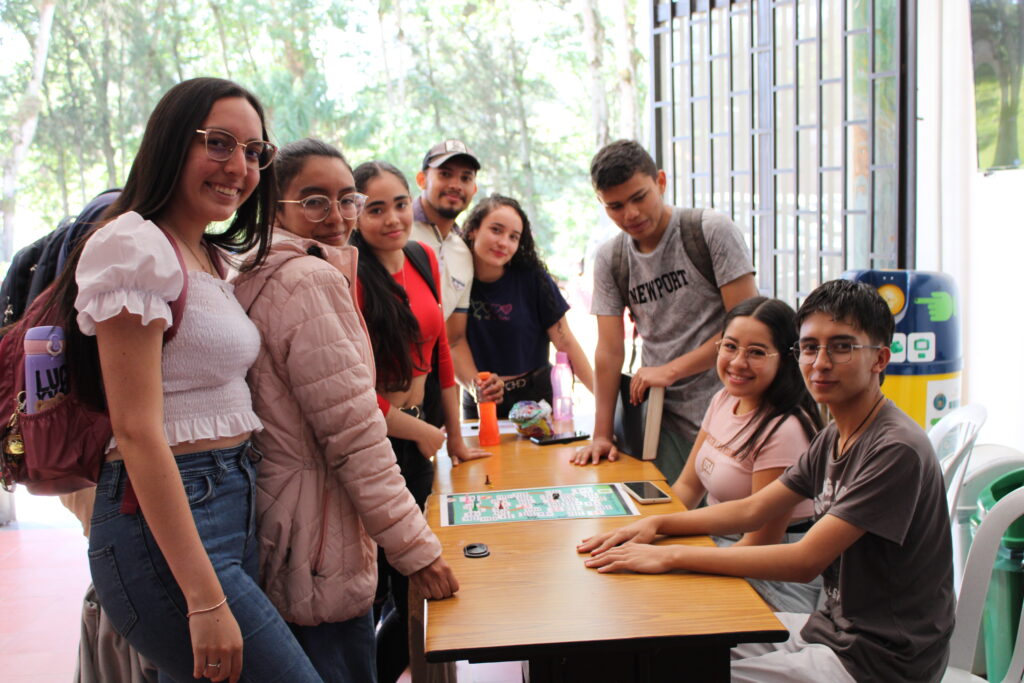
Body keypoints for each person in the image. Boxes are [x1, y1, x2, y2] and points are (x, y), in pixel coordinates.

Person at [56, 78, 322, 682]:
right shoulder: (132, 246)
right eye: (220, 143)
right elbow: (137, 430)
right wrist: (204, 598)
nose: (240, 167)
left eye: (255, 152)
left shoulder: (208, 254)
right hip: (165, 522)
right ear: (173, 141)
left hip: (230, 500)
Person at [579, 279, 955, 683]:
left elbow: (803, 559)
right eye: (810, 347)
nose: (820, 362)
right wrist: (656, 523)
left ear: (880, 359)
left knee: (683, 669)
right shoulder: (837, 432)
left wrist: (670, 556)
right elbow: (755, 508)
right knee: (666, 649)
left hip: (878, 661)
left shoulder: (894, 448)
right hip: (828, 630)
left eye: (842, 347)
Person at [232, 139, 459, 682]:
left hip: (288, 518)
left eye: (346, 199)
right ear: (273, 206)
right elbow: (354, 436)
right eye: (314, 201)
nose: (337, 216)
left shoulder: (264, 269)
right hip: (317, 528)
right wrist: (417, 552)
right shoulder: (309, 280)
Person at [351, 160, 488, 683]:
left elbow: (442, 359)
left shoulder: (422, 256)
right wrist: (422, 432)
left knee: (414, 584)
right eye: (375, 208)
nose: (392, 219)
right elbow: (351, 395)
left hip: (421, 439)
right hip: (376, 441)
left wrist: (455, 436)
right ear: (355, 214)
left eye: (399, 204)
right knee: (383, 584)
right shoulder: (352, 278)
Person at [572, 140, 759, 484]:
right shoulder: (611, 259)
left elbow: (748, 331)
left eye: (639, 197)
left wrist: (670, 370)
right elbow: (609, 351)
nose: (630, 214)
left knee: (729, 529)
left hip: (735, 411)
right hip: (662, 420)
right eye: (614, 206)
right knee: (669, 520)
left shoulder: (709, 230)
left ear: (660, 181)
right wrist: (601, 434)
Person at [624, 296, 824, 612]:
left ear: (786, 359)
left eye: (756, 352)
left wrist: (675, 558)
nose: (737, 362)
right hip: (720, 546)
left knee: (657, 605)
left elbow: (760, 542)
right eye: (730, 346)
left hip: (769, 571)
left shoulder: (785, 429)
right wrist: (648, 530)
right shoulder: (723, 399)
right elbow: (688, 488)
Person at [451, 194, 594, 418]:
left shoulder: (532, 278)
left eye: (513, 237)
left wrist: (604, 399)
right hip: (482, 399)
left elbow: (564, 339)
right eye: (496, 230)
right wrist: (477, 387)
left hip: (536, 397)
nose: (503, 242)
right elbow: (453, 343)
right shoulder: (456, 278)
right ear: (473, 230)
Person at [411, 140, 504, 408]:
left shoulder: (464, 252)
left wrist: (478, 386)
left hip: (429, 398)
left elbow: (453, 340)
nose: (455, 184)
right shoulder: (397, 229)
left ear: (474, 189)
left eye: (465, 178)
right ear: (421, 179)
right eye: (445, 174)